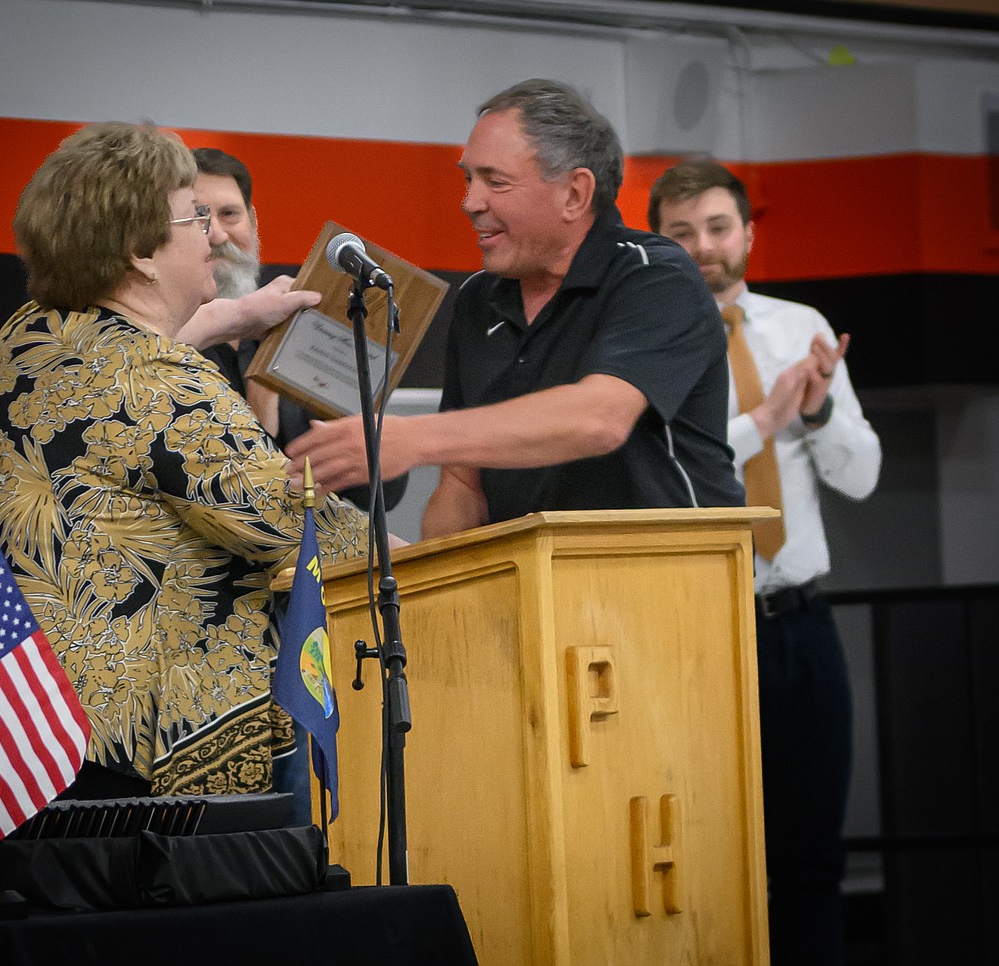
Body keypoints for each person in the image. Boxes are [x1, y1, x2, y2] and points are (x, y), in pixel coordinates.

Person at [0, 122, 373, 808]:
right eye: (194, 217)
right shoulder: (163, 385)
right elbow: (298, 528)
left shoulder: (28, 335)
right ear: (140, 253)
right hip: (105, 765)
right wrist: (427, 549)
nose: (214, 235)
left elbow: (122, 353)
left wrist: (233, 317)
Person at [285, 78, 744, 537]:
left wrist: (410, 438)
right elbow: (463, 484)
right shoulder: (478, 298)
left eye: (495, 181)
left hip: (670, 587)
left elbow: (599, 419)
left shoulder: (655, 275)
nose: (469, 202)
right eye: (469, 178)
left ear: (575, 194)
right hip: (534, 593)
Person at [648, 158, 882, 965]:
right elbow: (676, 471)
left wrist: (813, 412)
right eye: (682, 232)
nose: (704, 246)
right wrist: (763, 417)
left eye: (718, 228)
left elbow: (862, 475)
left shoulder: (798, 323)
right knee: (706, 854)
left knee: (814, 857)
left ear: (748, 233)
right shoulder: (648, 341)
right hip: (701, 632)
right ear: (659, 242)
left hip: (801, 625)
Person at [190, 146, 408, 513]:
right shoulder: (164, 341)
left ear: (254, 222)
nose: (217, 234)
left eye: (230, 214)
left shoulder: (302, 326)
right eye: (198, 217)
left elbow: (381, 489)